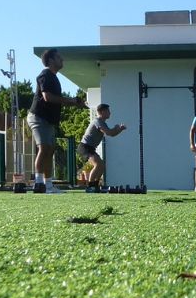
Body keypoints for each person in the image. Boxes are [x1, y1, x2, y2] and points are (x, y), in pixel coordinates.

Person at [27, 48, 85, 194]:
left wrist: (74, 102)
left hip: (48, 120)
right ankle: (39, 184)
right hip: (39, 117)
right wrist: (70, 100)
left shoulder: (54, 77)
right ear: (51, 60)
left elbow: (57, 100)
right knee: (44, 148)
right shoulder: (45, 74)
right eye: (59, 58)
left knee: (50, 150)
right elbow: (47, 97)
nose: (62, 60)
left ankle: (48, 185)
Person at [78, 103, 126, 190]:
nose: (110, 113)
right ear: (102, 112)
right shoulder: (98, 121)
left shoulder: (103, 123)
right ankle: (90, 186)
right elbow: (109, 133)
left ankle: (95, 185)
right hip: (85, 147)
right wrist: (116, 128)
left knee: (102, 165)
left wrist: (120, 130)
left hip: (90, 148)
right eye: (108, 111)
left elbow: (112, 134)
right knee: (98, 164)